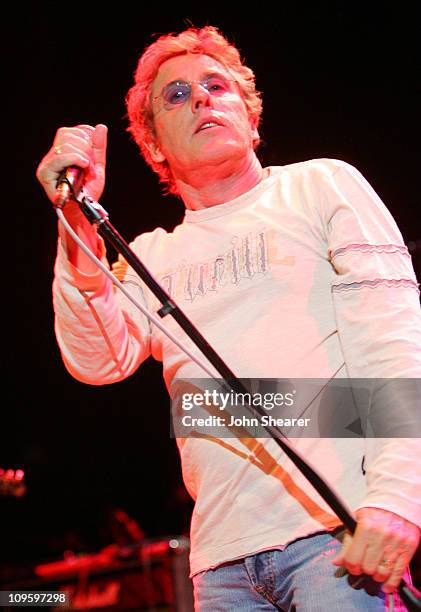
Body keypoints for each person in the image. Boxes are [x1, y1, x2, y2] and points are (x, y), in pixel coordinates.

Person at [36, 25, 421, 611]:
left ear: (251, 116)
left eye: (216, 85)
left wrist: (397, 497)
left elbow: (395, 345)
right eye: (176, 94)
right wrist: (77, 226)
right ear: (154, 146)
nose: (201, 97)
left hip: (338, 543)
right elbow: (97, 361)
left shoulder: (321, 186)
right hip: (220, 567)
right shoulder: (150, 256)